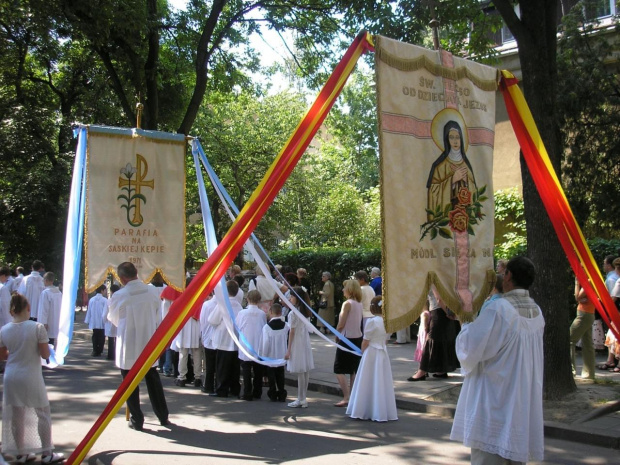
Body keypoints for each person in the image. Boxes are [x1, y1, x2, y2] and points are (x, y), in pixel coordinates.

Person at [450, 256, 545, 464]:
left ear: (508, 275)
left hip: (494, 397)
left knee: (488, 456)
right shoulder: (537, 310)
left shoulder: (499, 308)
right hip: (520, 396)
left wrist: (465, 321)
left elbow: (472, 348)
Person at [0, 293, 64, 463]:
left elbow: (3, 356)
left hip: (11, 374)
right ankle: (46, 452)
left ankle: (21, 453)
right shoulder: (37, 327)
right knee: (42, 412)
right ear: (28, 308)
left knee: (16, 415)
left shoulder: (4, 329)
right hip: (31, 374)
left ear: (11, 310)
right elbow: (44, 353)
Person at [107, 262, 169, 431]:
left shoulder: (120, 295)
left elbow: (113, 318)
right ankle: (162, 415)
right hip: (148, 339)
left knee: (129, 382)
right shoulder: (152, 291)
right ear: (136, 273)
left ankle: (137, 418)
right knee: (152, 379)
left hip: (129, 342)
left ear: (122, 278)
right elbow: (158, 316)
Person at [346, 296, 398, 422]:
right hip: (382, 352)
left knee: (367, 378)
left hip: (371, 352)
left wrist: (362, 351)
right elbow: (386, 339)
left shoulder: (372, 322)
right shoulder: (388, 321)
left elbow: (366, 341)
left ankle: (364, 408)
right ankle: (380, 409)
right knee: (380, 379)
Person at [426, 120, 476, 221]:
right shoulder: (440, 167)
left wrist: (466, 181)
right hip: (447, 220)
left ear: (462, 139)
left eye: (457, 137)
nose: (455, 141)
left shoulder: (466, 165)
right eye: (451, 137)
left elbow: (475, 192)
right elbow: (432, 192)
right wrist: (452, 180)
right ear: (446, 140)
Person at [408, 287, 459, 381]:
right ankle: (441, 370)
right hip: (447, 310)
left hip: (439, 312)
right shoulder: (446, 278)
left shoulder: (435, 278)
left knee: (431, 340)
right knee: (443, 339)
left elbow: (439, 299)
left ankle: (422, 371)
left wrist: (448, 312)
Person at [208, 280, 242, 398]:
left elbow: (212, 320)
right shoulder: (239, 305)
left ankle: (222, 389)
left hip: (223, 340)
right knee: (234, 367)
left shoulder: (222, 304)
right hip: (236, 341)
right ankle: (234, 388)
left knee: (222, 367)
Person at [333, 279, 363, 407]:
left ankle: (346, 397)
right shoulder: (359, 304)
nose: (343, 290)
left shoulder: (347, 304)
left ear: (350, 290)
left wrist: (337, 335)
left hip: (346, 338)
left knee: (338, 369)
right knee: (353, 370)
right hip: (357, 338)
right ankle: (352, 396)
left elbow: (341, 323)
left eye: (345, 288)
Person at [285, 287, 314, 408]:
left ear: (297, 297)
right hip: (305, 339)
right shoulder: (305, 311)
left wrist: (288, 349)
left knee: (301, 371)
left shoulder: (293, 313)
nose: (290, 298)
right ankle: (303, 397)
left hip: (297, 340)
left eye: (291, 296)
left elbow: (292, 331)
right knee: (305, 369)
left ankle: (300, 398)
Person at [236, 290, 267, 401]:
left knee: (246, 370)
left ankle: (247, 392)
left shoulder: (242, 313)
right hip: (258, 344)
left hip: (246, 344)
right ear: (259, 300)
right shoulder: (262, 314)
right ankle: (257, 391)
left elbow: (238, 326)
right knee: (258, 370)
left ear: (247, 299)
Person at [260, 303, 289, 402]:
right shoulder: (286, 326)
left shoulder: (267, 327)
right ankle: (281, 392)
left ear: (271, 312)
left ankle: (272, 392)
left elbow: (265, 343)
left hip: (270, 356)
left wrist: (263, 355)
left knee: (271, 375)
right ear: (281, 313)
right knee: (280, 374)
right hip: (281, 355)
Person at [570, 279, 595, 379]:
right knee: (587, 343)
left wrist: (576, 282)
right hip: (589, 313)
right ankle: (589, 373)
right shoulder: (593, 280)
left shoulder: (588, 281)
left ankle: (571, 372)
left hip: (584, 315)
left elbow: (577, 296)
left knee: (569, 340)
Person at [199, 294, 218, 394]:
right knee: (217, 364)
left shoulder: (207, 305)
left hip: (208, 337)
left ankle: (209, 385)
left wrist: (202, 334)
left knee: (209, 364)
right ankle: (217, 384)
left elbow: (202, 321)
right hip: (218, 338)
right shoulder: (221, 304)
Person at [37, 272, 62, 347]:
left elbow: (44, 309)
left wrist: (43, 322)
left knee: (48, 342)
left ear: (46, 280)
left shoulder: (45, 293)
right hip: (57, 320)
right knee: (55, 340)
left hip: (48, 321)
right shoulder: (59, 293)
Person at [85, 285, 108, 357]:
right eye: (105, 290)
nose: (105, 292)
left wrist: (87, 320)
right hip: (101, 322)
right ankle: (99, 350)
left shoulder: (92, 299)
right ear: (102, 290)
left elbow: (89, 311)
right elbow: (106, 312)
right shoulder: (105, 300)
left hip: (94, 321)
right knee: (101, 336)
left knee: (95, 336)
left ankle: (95, 350)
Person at [103, 284, 120, 361]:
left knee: (110, 339)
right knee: (118, 338)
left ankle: (110, 355)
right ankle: (118, 355)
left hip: (110, 321)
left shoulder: (109, 300)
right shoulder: (121, 298)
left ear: (112, 291)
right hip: (119, 321)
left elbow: (105, 312)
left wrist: (104, 320)